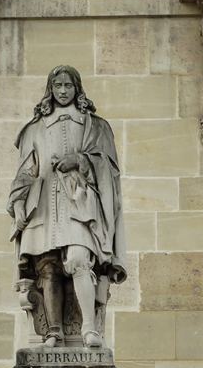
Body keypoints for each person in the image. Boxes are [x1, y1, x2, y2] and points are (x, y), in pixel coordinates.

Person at [7, 65, 127, 349]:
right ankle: (54, 331)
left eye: (68, 86)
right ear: (51, 89)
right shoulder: (35, 129)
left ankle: (89, 329)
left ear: (77, 89)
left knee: (77, 260)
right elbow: (25, 172)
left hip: (80, 204)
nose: (63, 91)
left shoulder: (94, 125)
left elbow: (109, 167)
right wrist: (19, 203)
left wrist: (80, 161)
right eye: (58, 86)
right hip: (44, 206)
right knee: (47, 268)